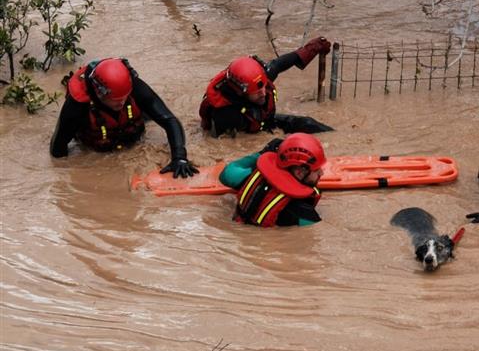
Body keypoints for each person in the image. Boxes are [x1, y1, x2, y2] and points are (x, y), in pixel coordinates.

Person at [50, 58, 198, 178]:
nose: (121, 102)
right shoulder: (76, 106)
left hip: (131, 134)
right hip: (97, 146)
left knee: (148, 112)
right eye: (115, 99)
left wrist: (179, 157)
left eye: (124, 97)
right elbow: (58, 149)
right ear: (99, 93)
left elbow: (169, 120)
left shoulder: (135, 86)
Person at [199, 37, 333, 137]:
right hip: (248, 130)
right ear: (240, 92)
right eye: (257, 92)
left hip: (264, 121)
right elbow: (227, 146)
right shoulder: (226, 115)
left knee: (307, 123)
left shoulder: (260, 78)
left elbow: (280, 64)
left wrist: (312, 48)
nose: (263, 93)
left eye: (263, 87)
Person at [230, 133, 326, 227]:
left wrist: (261, 154)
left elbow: (227, 174)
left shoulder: (255, 175)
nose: (321, 173)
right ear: (299, 173)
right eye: (317, 170)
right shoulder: (304, 213)